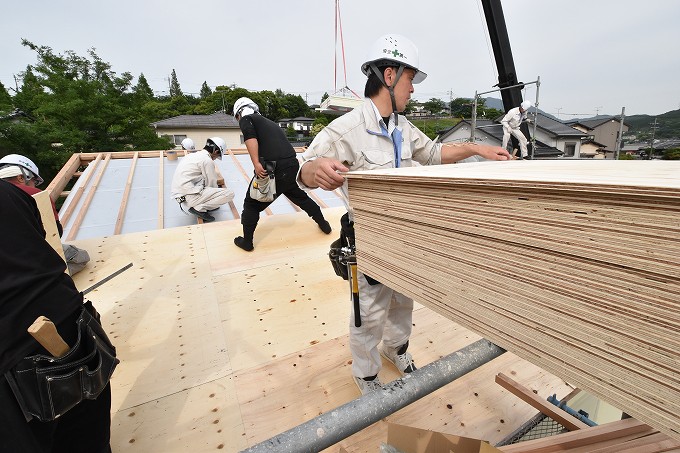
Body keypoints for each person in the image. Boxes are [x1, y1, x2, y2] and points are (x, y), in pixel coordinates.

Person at [298, 34, 510, 394]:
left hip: (403, 235)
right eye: (411, 79)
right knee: (369, 310)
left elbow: (434, 154)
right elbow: (303, 170)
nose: (413, 89)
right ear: (390, 75)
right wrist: (314, 168)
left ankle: (395, 350)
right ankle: (366, 375)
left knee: (403, 301)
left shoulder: (403, 128)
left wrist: (477, 148)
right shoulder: (347, 129)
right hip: (368, 237)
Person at [0, 180, 114, 452]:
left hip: (14, 352)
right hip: (73, 324)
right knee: (89, 434)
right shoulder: (10, 191)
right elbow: (45, 238)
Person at [232, 97, 332, 252]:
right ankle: (324, 224)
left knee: (251, 205)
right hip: (291, 164)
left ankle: (247, 242)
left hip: (273, 168)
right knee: (301, 197)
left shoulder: (246, 119)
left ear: (239, 112)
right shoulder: (270, 123)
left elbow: (250, 138)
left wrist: (256, 164)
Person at [0, 154, 90, 275]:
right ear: (22, 177)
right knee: (79, 256)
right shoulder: (34, 194)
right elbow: (55, 233)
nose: (35, 185)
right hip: (28, 260)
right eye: (34, 181)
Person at [171, 137, 235, 223]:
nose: (215, 158)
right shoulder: (207, 160)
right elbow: (211, 185)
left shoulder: (191, 155)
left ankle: (198, 206)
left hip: (181, 197)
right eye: (217, 156)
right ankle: (199, 208)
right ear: (215, 151)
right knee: (230, 194)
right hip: (190, 198)